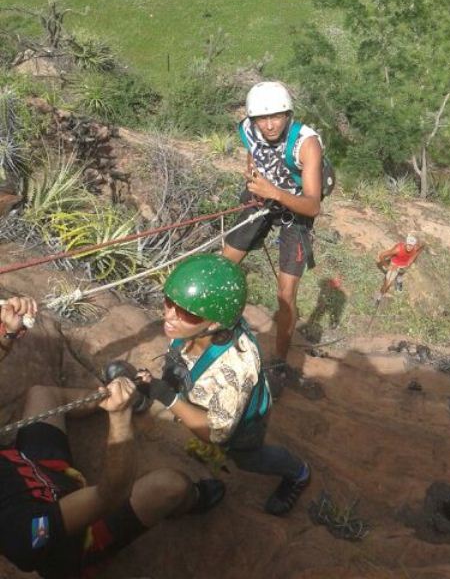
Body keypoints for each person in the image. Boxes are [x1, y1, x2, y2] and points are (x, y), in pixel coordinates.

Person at [0, 296, 224, 579]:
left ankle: (109, 397)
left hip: (36, 468)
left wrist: (6, 335)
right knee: (171, 486)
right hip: (79, 536)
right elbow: (109, 494)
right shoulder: (20, 532)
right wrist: (119, 418)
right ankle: (193, 499)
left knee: (41, 394)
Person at [137, 254, 311, 517]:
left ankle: (299, 473)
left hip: (241, 421)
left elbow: (216, 433)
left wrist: (168, 397)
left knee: (247, 457)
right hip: (202, 395)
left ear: (215, 323)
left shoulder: (233, 370)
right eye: (169, 302)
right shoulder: (193, 330)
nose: (170, 316)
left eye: (187, 313)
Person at [222, 81, 323, 390]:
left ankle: (278, 362)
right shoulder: (248, 129)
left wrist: (275, 192)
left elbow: (313, 205)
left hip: (296, 209)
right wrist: (253, 177)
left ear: (288, 114)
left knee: (285, 295)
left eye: (277, 116)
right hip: (264, 198)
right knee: (225, 264)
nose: (269, 125)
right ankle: (215, 332)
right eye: (261, 119)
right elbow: (253, 155)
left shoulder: (306, 144)